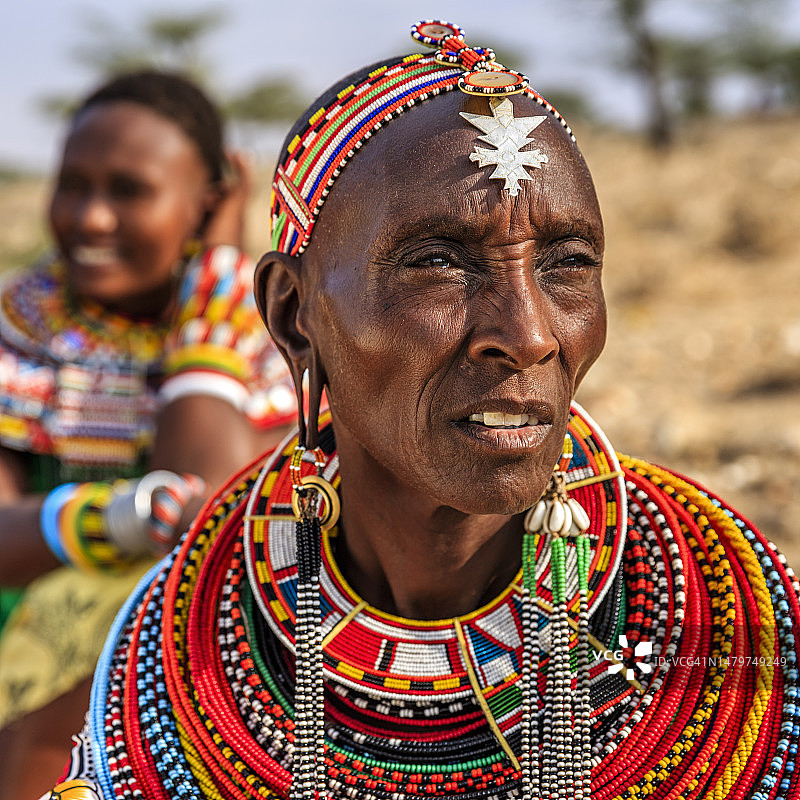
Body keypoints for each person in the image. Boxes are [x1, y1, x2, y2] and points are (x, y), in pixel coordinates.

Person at [45, 22, 800, 800]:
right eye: (438, 262)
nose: (531, 334)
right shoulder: (177, 643)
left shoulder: (731, 622)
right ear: (295, 314)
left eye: (568, 262)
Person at [0, 70, 295, 798]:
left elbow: (209, 525)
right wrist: (109, 519)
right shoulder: (21, 330)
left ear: (205, 204)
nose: (90, 218)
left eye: (129, 191)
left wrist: (211, 319)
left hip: (198, 657)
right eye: (73, 184)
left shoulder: (275, 342)